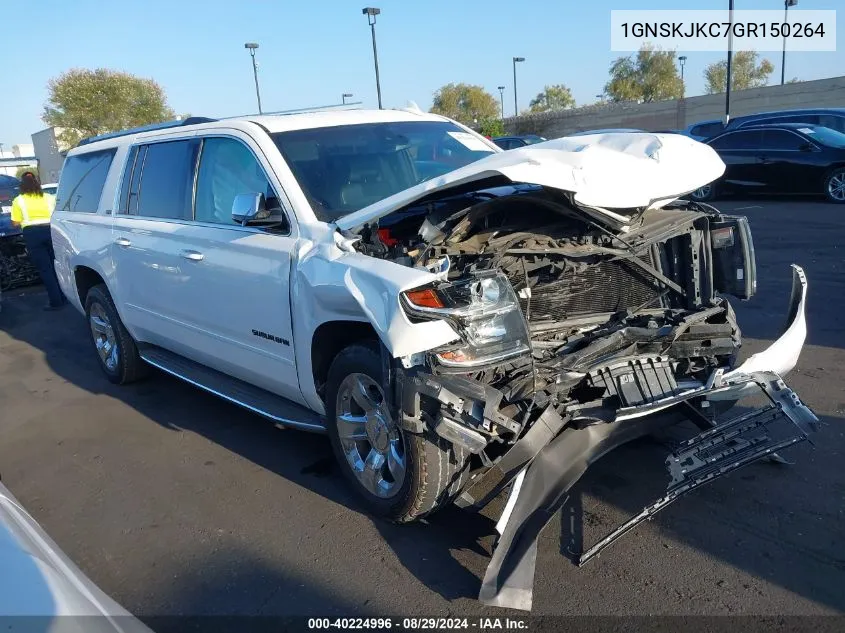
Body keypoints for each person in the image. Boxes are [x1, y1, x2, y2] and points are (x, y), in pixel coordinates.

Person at [10, 171, 66, 310]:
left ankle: (55, 301)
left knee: (45, 269)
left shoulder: (19, 200)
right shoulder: (48, 197)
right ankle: (65, 296)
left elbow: (15, 222)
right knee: (56, 265)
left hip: (32, 234)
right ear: (37, 183)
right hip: (51, 230)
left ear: (22, 185)